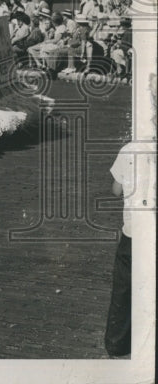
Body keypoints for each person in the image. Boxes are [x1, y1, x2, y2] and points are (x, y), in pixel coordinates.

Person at [104, 142, 155, 357]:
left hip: (133, 233)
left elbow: (116, 190)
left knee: (124, 287)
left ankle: (116, 343)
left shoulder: (128, 150)